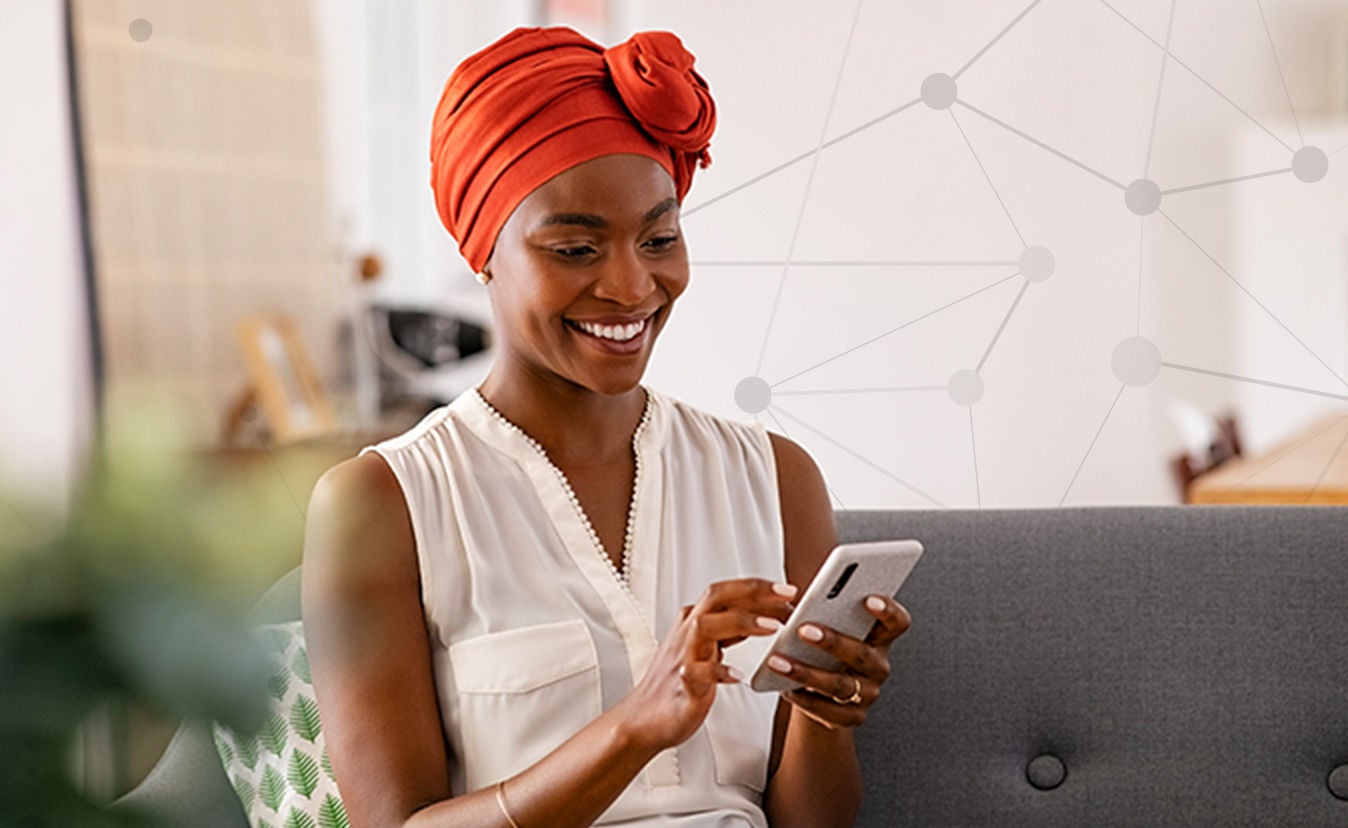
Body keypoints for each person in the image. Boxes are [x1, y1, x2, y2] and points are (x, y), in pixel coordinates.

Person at [301, 25, 912, 828]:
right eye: (577, 248)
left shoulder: (775, 477)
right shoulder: (381, 502)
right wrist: (634, 727)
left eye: (659, 239)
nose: (631, 287)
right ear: (483, 253)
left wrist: (826, 716)